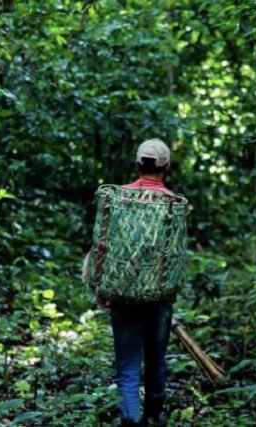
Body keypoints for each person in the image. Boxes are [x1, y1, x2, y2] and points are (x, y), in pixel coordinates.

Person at [98, 138, 176, 427]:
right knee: (156, 359)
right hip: (160, 297)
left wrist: (100, 287)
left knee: (128, 364)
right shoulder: (173, 205)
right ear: (167, 166)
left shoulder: (117, 198)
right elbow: (175, 257)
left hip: (122, 294)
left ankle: (130, 418)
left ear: (137, 164)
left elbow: (101, 246)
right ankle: (155, 415)